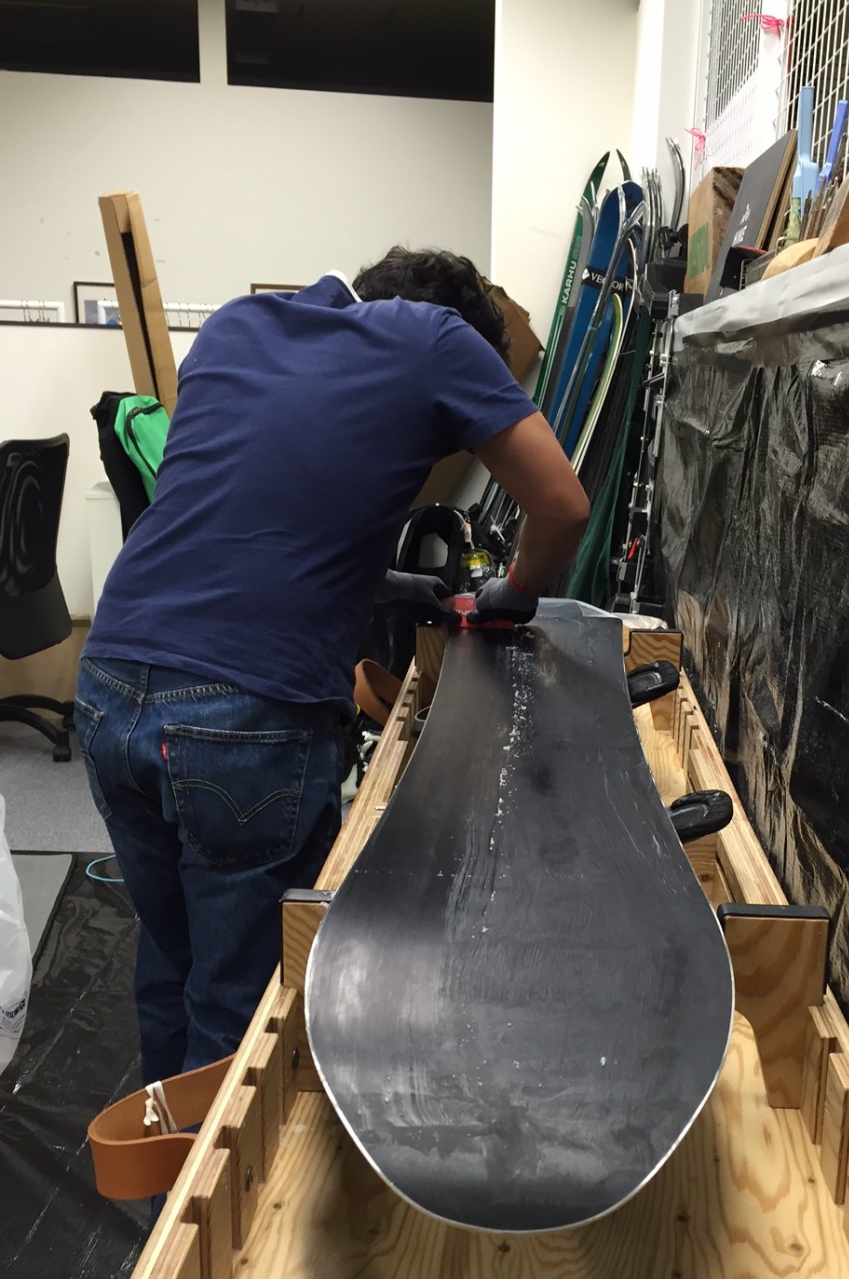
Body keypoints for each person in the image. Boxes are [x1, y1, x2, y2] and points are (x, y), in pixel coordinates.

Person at [74, 247, 589, 1086]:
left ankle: (163, 1162)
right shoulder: (437, 339)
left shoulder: (235, 325)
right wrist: (513, 595)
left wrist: (390, 585)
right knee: (241, 1005)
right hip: (241, 719)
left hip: (109, 685)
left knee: (172, 958)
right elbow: (562, 506)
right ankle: (213, 1174)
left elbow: (252, 512)